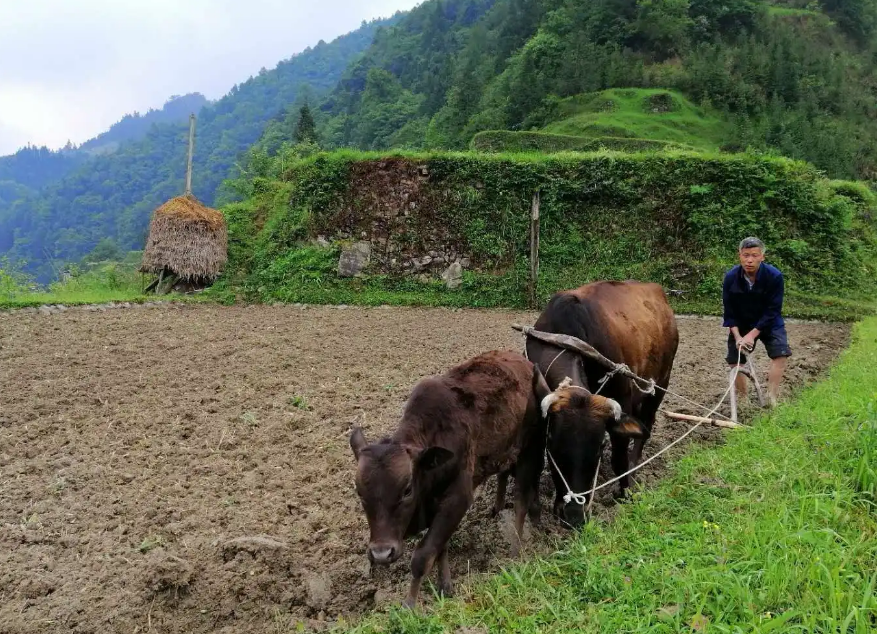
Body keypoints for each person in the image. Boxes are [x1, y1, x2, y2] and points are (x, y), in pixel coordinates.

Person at [722, 237, 792, 407]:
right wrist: (739, 337)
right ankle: (743, 398)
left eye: (754, 255)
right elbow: (729, 313)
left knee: (780, 354)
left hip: (769, 322)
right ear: (740, 255)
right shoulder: (731, 278)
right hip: (742, 322)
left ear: (762, 257)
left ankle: (771, 397)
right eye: (746, 255)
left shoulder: (774, 276)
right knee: (734, 360)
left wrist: (753, 335)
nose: (750, 260)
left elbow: (773, 310)